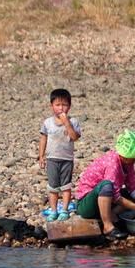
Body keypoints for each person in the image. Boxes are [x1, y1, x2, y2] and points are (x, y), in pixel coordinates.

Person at [75, 129, 135, 237]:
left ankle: (112, 214)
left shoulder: (127, 164)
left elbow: (133, 186)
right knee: (107, 186)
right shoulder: (113, 163)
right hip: (86, 205)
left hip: (105, 200)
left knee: (134, 194)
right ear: (125, 156)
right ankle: (107, 226)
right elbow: (115, 195)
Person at [38, 88, 82, 222]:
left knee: (66, 186)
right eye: (58, 105)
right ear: (52, 106)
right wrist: (41, 155)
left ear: (69, 106)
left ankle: (64, 210)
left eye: (64, 105)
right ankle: (54, 210)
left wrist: (66, 123)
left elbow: (74, 137)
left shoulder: (73, 122)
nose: (61, 108)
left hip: (66, 159)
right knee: (53, 187)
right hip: (52, 158)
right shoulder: (47, 123)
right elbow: (43, 138)